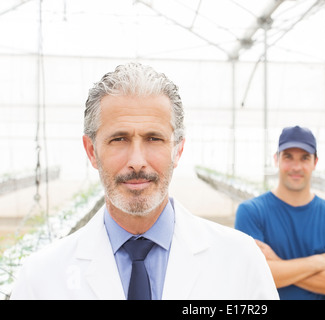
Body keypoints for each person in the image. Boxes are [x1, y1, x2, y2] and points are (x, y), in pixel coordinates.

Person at [10, 62, 278, 300]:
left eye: (154, 138)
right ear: (91, 151)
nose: (137, 161)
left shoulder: (240, 261)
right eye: (119, 139)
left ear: (178, 150)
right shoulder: (41, 279)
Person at [235, 125, 325, 300]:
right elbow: (252, 276)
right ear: (276, 160)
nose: (296, 166)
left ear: (315, 162)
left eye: (305, 158)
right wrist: (317, 262)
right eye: (288, 157)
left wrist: (279, 265)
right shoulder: (252, 212)